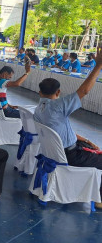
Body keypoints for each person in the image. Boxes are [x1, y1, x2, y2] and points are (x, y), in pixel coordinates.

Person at [34, 46, 102, 209]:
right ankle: (99, 199)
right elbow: (84, 91)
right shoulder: (58, 106)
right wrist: (98, 65)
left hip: (55, 152)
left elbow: (59, 133)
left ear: (39, 92)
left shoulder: (38, 110)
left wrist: (85, 140)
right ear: (58, 92)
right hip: (71, 155)